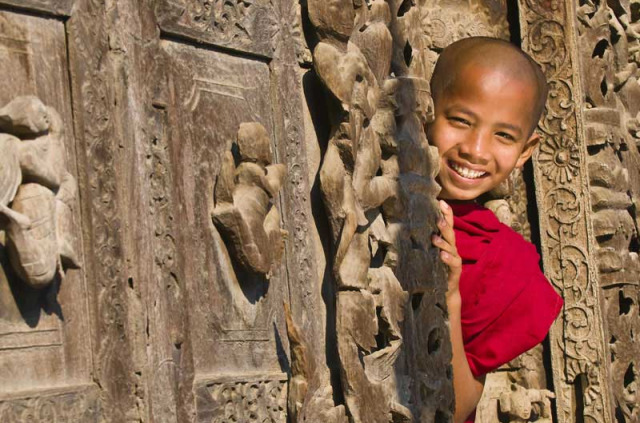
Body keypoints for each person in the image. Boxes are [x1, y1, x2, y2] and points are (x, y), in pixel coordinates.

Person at [427, 37, 564, 423]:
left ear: (525, 151)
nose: (476, 149)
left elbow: (456, 409)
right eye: (460, 120)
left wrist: (450, 296)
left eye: (503, 135)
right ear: (426, 110)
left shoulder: (506, 262)